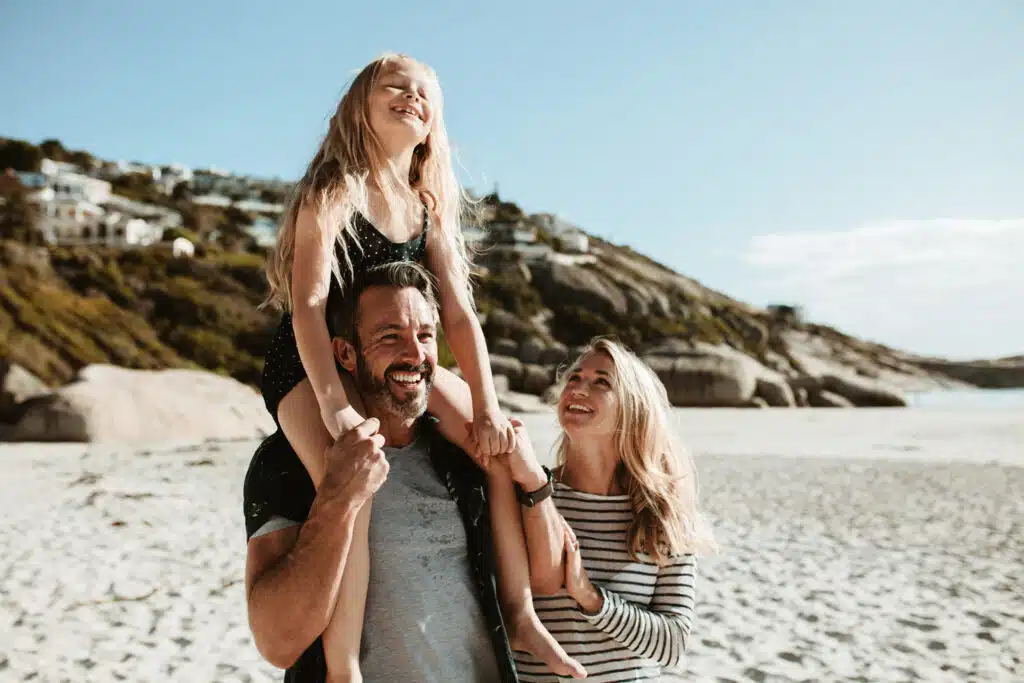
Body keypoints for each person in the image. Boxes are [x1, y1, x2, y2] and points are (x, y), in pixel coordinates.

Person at [257, 53, 580, 680]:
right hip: (312, 360)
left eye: (425, 92)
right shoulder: (333, 190)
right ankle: (344, 661)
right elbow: (309, 305)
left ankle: (517, 612)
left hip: (396, 352)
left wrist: (485, 406)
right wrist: (334, 405)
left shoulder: (424, 205)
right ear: (360, 105)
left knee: (500, 447)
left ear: (435, 122)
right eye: (394, 86)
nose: (412, 96)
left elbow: (459, 316)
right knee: (348, 478)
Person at [244, 262, 577, 682]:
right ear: (345, 353)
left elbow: (550, 575)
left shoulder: (465, 457)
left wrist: (535, 482)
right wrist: (336, 500)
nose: (415, 354)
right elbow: (278, 644)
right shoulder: (288, 463)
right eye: (390, 337)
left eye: (424, 335)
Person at [513, 338, 718, 682]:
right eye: (574, 378)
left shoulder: (662, 511)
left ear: (632, 408)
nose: (579, 389)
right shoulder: (529, 493)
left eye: (601, 382)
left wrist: (591, 597)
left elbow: (674, 643)